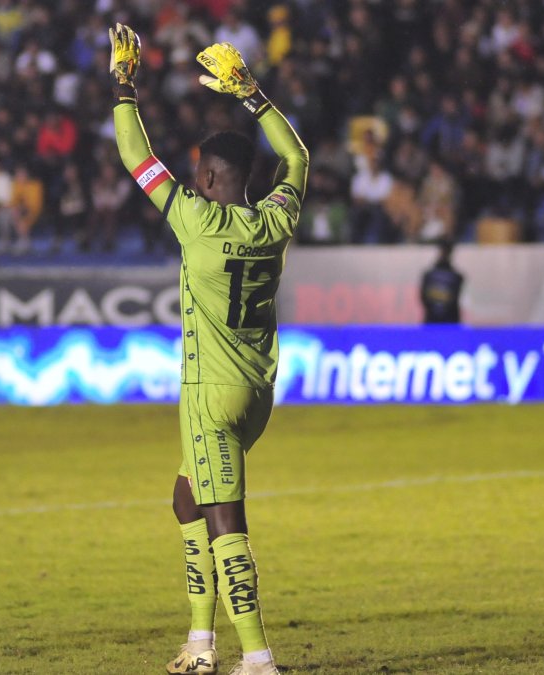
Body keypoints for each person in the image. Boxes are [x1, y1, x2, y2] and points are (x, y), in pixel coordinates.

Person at [109, 26, 308, 675]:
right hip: (256, 395)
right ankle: (199, 642)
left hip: (208, 395)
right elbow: (298, 159)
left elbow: (137, 157)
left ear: (207, 174)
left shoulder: (196, 220)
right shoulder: (273, 222)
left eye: (197, 170)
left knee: (226, 520)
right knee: (186, 497)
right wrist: (253, 95)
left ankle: (256, 655)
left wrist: (124, 86)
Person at [420, 238, 464, 324]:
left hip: (448, 322)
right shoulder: (429, 275)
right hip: (433, 321)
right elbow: (424, 298)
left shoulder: (456, 277)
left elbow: (456, 300)